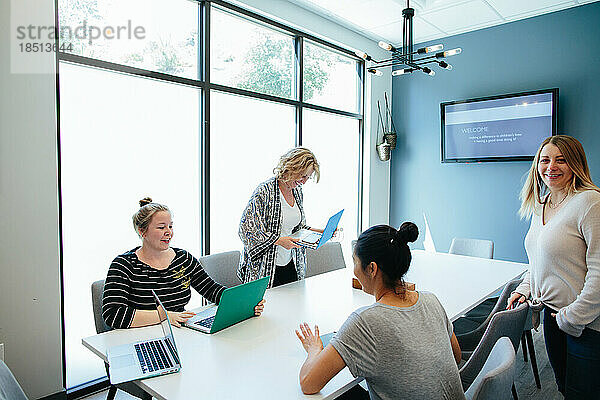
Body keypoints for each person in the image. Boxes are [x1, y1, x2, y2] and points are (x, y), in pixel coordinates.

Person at [295, 223, 464, 400]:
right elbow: (457, 356)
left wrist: (314, 349)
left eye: (355, 262)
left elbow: (308, 383)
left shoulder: (365, 322)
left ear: (372, 268)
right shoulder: (431, 300)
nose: (354, 270)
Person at [508, 135, 600, 399]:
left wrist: (572, 317)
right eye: (545, 160)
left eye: (561, 160)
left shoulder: (590, 202)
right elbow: (537, 261)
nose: (551, 167)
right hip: (553, 318)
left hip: (588, 324)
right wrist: (524, 289)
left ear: (576, 164)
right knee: (564, 389)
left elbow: (598, 272)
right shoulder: (542, 204)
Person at [102, 198, 265, 329]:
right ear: (142, 231)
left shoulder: (183, 258)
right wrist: (164, 316)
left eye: (170, 226)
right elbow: (113, 314)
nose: (169, 232)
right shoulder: (123, 265)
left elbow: (211, 290)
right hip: (139, 338)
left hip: (179, 332)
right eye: (161, 227)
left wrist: (244, 303)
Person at [238, 147, 321, 288]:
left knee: (293, 305)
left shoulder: (297, 191)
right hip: (266, 267)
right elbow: (246, 230)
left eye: (308, 177)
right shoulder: (265, 191)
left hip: (290, 262)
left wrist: (320, 231)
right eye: (302, 175)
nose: (304, 181)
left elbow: (297, 227)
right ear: (291, 167)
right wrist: (279, 241)